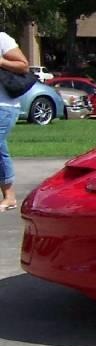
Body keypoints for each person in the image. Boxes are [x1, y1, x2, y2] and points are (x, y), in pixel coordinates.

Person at [0, 29, 29, 211]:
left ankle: (9, 196)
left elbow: (23, 65)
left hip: (4, 106)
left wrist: (1, 61)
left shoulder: (2, 39)